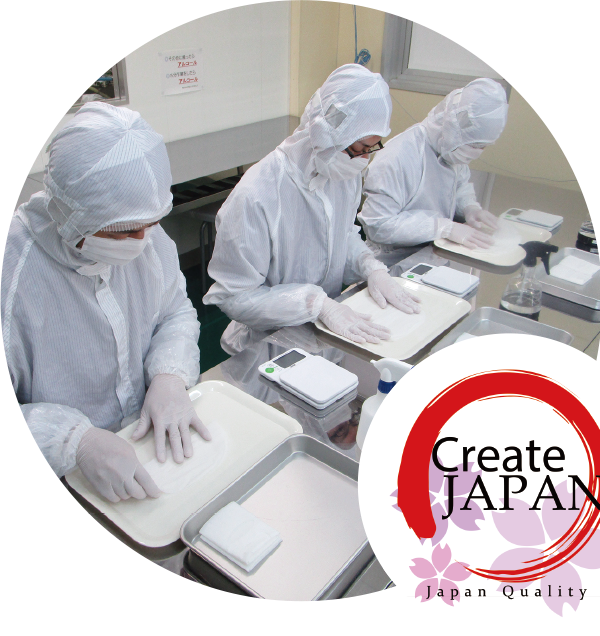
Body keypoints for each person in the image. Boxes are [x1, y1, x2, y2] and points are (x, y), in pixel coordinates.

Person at [1, 103, 210, 503]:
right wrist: (73, 441)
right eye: (120, 233)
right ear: (68, 213)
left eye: (149, 225)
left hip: (149, 443)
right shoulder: (13, 277)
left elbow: (175, 313)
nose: (140, 242)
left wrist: (169, 375)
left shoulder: (148, 240)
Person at [204, 64, 421, 356]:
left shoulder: (343, 172)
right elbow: (235, 297)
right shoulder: (257, 194)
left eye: (371, 148)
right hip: (268, 345)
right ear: (325, 132)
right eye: (358, 148)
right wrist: (314, 304)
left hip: (330, 334)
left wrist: (370, 267)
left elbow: (343, 236)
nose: (363, 159)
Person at [358, 78, 509, 267]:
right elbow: (378, 225)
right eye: (473, 145)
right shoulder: (397, 157)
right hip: (390, 264)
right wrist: (442, 227)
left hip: (434, 254)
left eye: (482, 147)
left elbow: (457, 186)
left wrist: (469, 208)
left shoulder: (450, 150)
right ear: (453, 128)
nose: (476, 152)